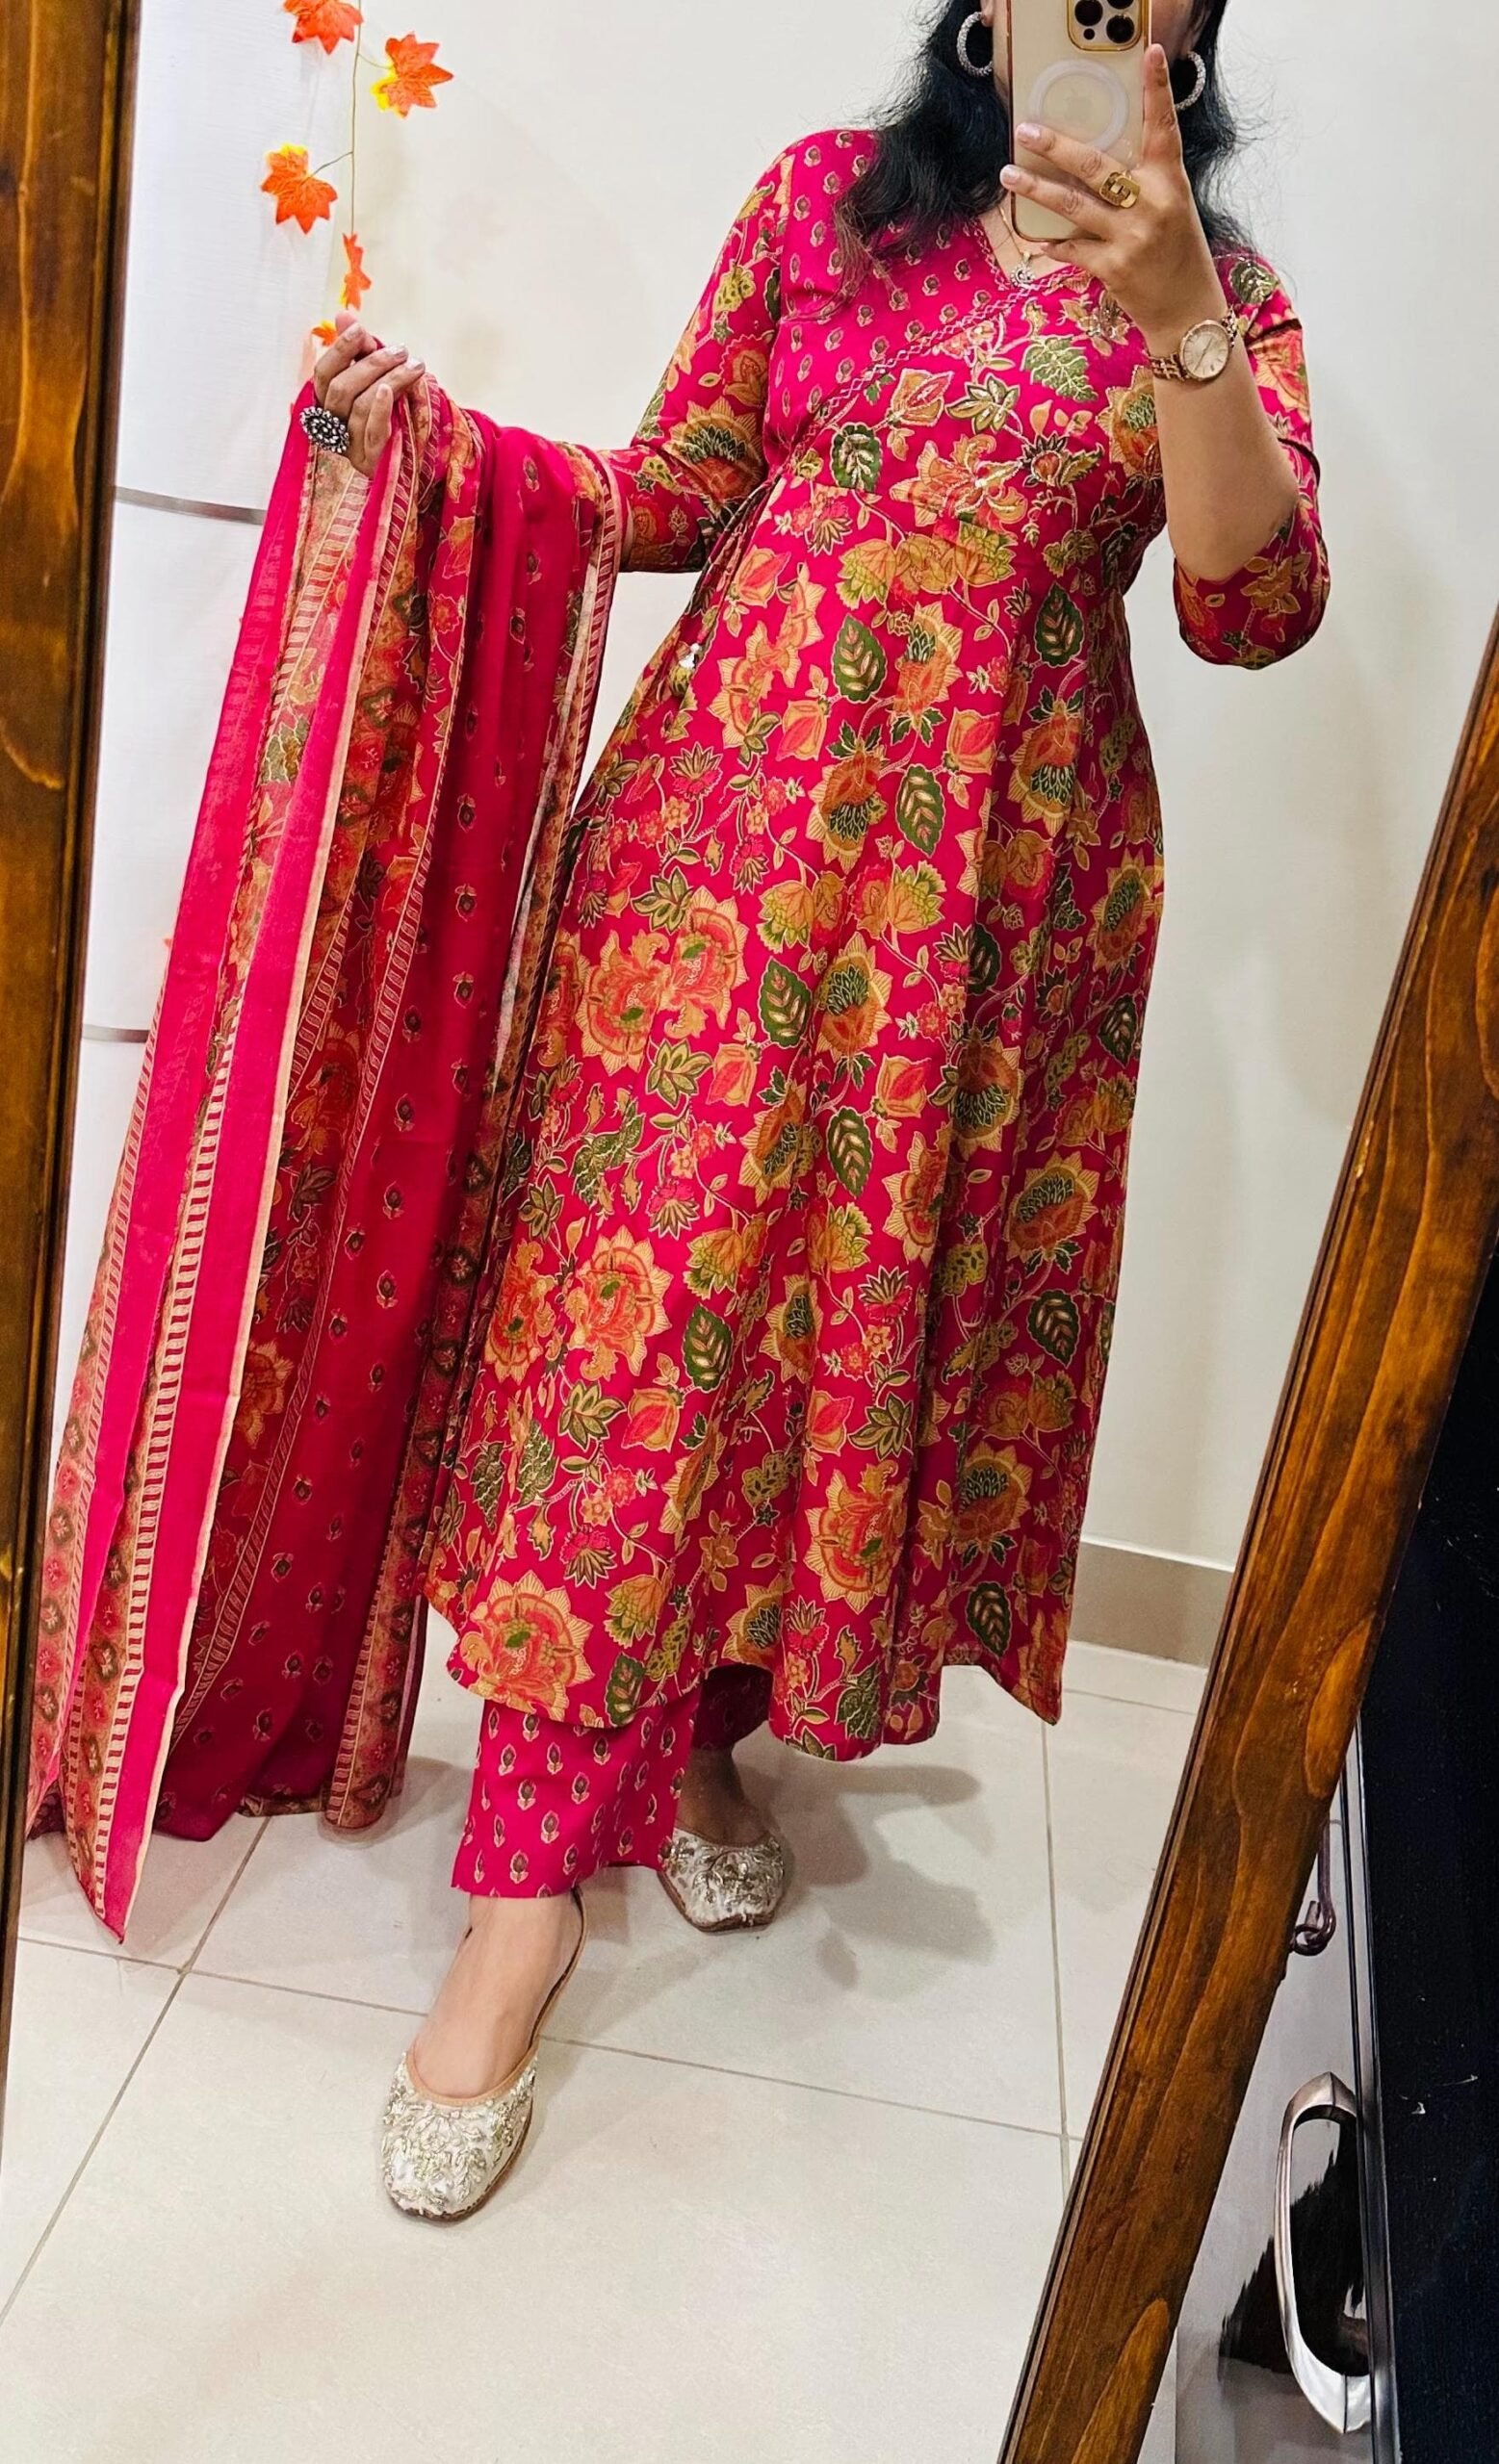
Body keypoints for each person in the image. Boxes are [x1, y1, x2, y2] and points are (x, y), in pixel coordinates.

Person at [34, 0, 1327, 2222]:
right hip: (715, 862)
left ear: (1197, 30)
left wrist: (1175, 314)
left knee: (831, 1354)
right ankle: (521, 1895)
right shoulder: (828, 210)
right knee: (627, 1349)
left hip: (985, 929)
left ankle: (700, 1733)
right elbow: (680, 484)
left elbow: (1253, 603)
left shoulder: (1221, 298)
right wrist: (460, 457)